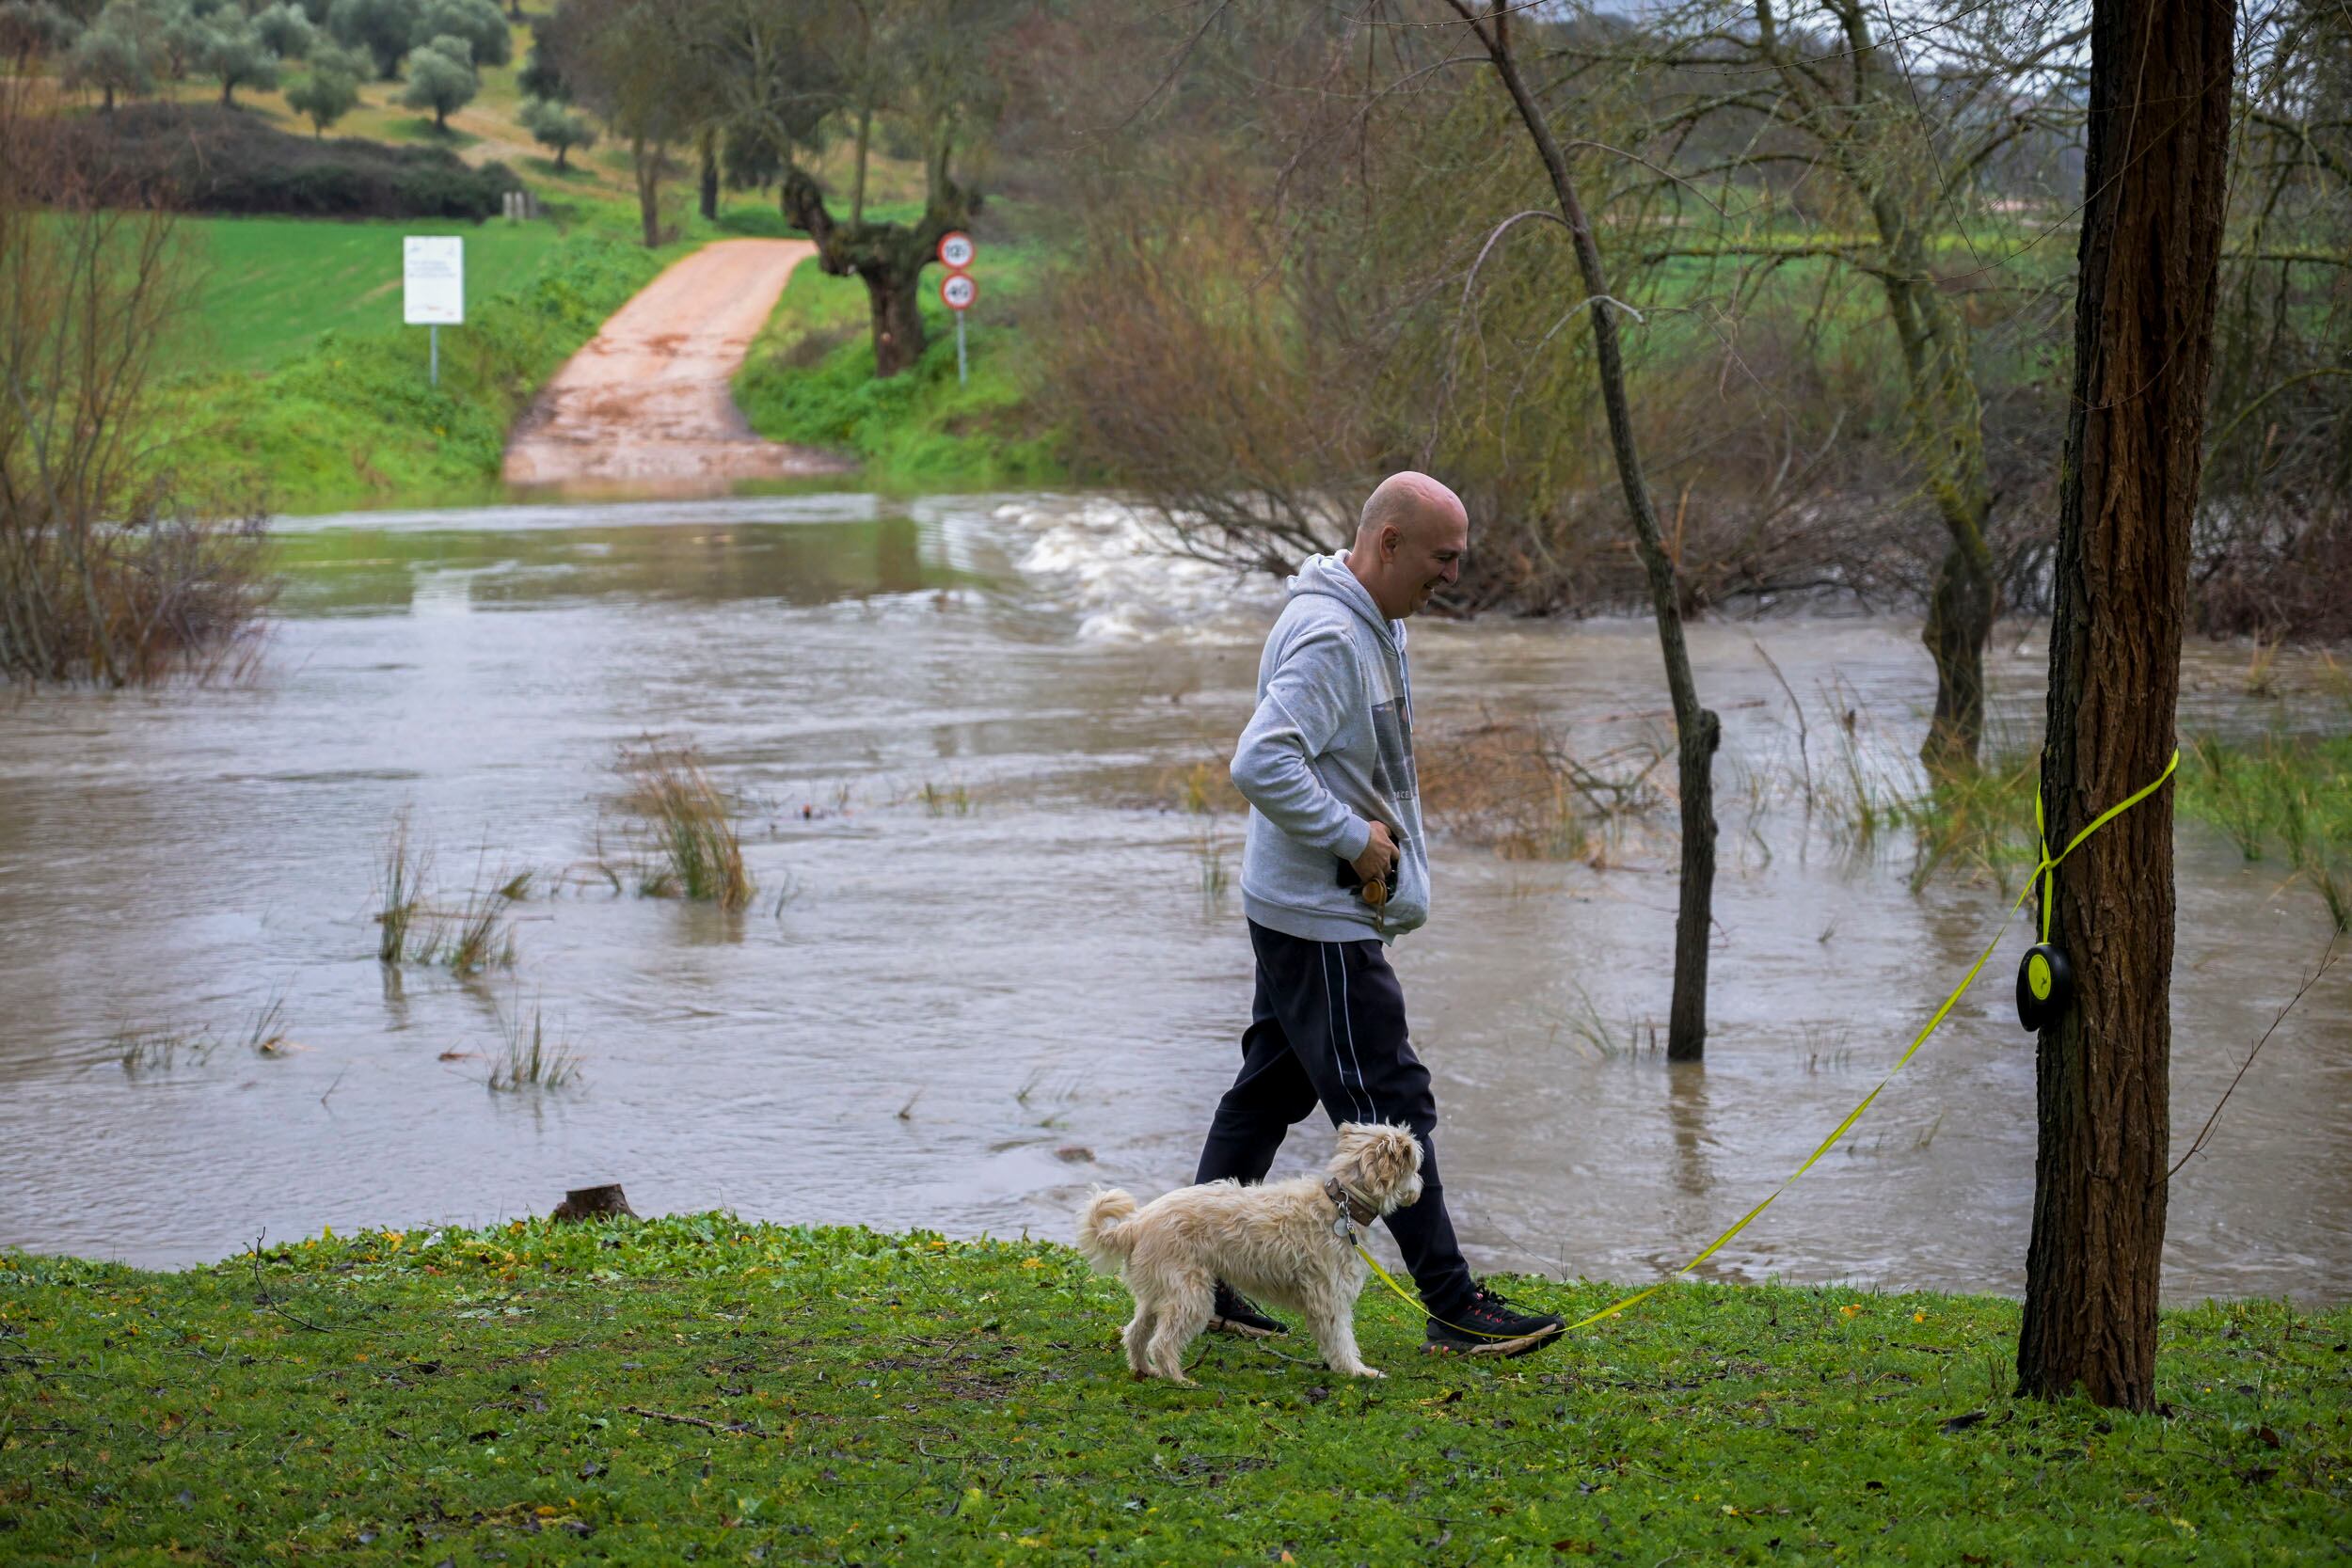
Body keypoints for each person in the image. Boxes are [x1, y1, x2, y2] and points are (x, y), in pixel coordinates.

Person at [1193, 471, 1565, 1357]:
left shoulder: (1376, 618)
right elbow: (1260, 761)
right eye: (1443, 557)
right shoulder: (1330, 634)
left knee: (1266, 1092)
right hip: (1319, 914)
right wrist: (1354, 842)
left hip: (1297, 907)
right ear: (1388, 543)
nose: (1453, 576)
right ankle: (1452, 1304)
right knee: (1391, 1102)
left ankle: (1202, 1277)